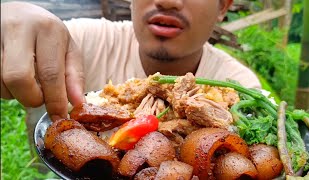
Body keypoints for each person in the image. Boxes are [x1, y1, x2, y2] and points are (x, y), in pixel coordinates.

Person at [1, 0, 260, 156]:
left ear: (223, 6)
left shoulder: (243, 91)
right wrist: (12, 16)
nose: (167, 1)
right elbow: (37, 35)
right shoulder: (86, 41)